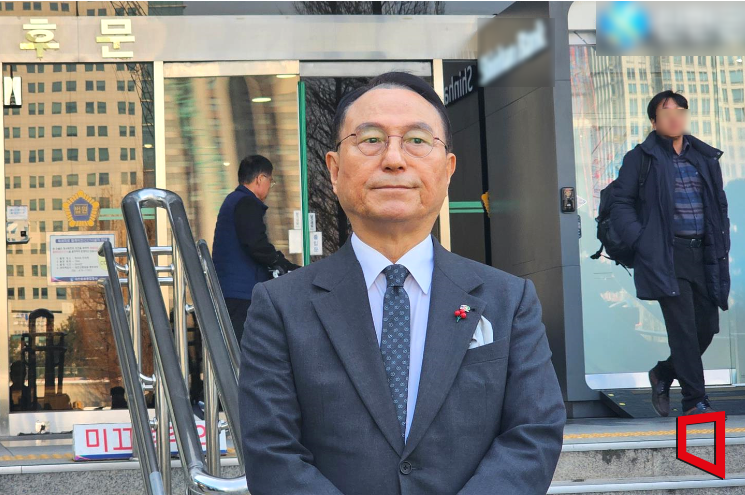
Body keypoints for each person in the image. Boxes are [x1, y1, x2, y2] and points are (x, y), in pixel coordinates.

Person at [239, 72, 566, 495]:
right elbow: (271, 453)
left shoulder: (509, 299)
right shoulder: (280, 306)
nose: (394, 159)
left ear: (447, 170)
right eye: (371, 139)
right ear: (334, 170)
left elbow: (533, 433)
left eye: (416, 140)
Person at [610, 90, 731, 418]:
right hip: (666, 254)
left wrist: (721, 243)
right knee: (683, 330)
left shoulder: (703, 157)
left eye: (680, 111)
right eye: (666, 113)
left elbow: (718, 205)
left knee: (707, 327)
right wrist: (642, 241)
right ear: (654, 121)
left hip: (704, 254)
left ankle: (664, 372)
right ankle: (695, 401)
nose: (674, 117)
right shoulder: (641, 158)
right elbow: (620, 203)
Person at [212, 154, 300, 342]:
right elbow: (255, 243)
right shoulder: (246, 202)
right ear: (260, 179)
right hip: (241, 293)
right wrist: (281, 263)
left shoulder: (233, 200)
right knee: (246, 351)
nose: (270, 186)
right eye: (270, 181)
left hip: (231, 290)